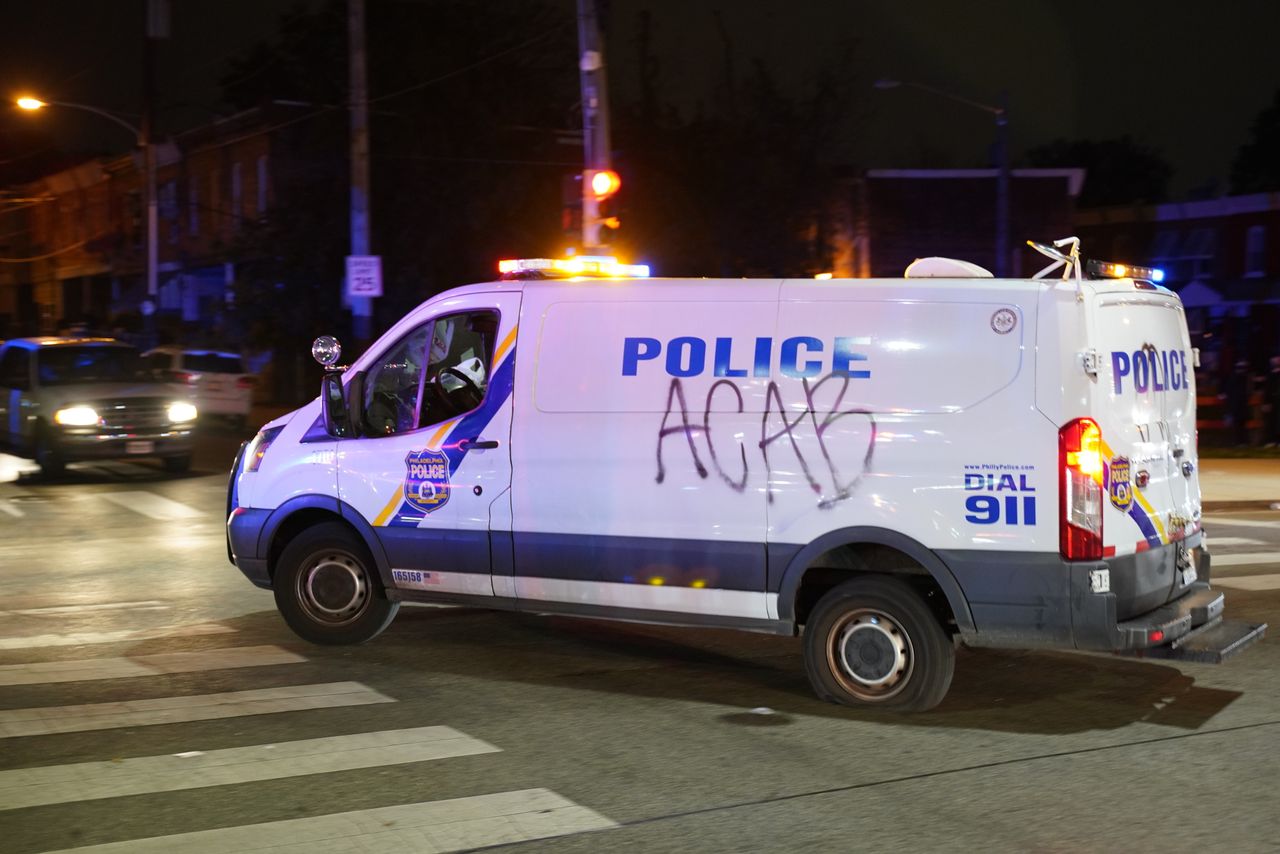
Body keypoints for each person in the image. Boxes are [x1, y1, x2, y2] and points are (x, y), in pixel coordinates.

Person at [1265, 355, 1280, 447]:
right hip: (1273, 401)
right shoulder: (1271, 375)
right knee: (1272, 421)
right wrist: (1267, 402)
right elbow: (1268, 390)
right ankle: (1272, 440)